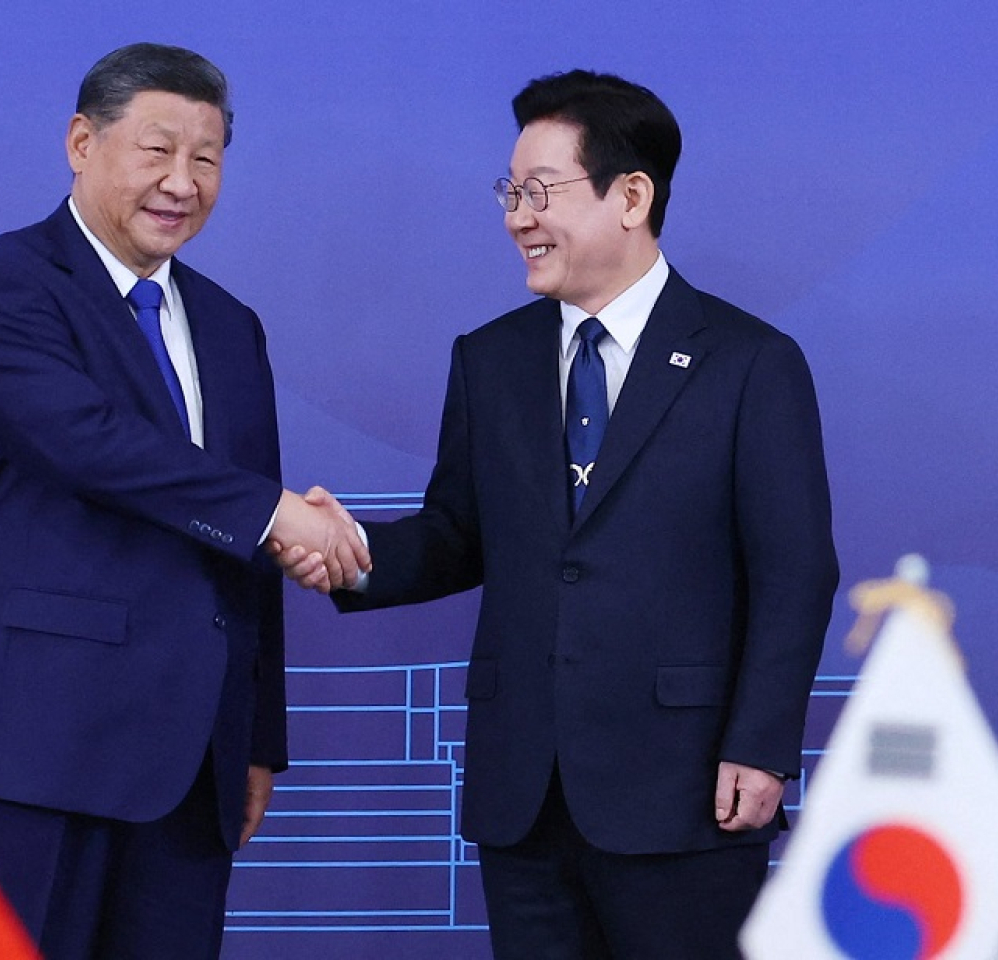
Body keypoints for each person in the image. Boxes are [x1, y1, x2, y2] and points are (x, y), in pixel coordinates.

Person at [275, 69, 838, 958]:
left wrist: (762, 748)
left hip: (684, 790)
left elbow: (795, 570)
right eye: (510, 192)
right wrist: (347, 552)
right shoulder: (490, 359)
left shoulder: (749, 364)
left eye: (539, 192)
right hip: (523, 789)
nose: (515, 217)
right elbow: (458, 533)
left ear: (632, 196)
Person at [0, 42, 367, 959]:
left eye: (206, 158)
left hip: (190, 767)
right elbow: (92, 447)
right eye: (156, 151)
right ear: (83, 142)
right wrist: (280, 513)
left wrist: (256, 736)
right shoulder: (7, 284)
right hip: (30, 747)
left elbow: (245, 549)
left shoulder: (231, 327)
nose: (182, 182)